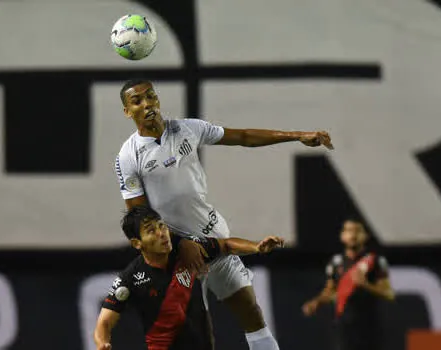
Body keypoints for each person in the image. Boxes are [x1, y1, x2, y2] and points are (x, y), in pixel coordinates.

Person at [114, 79, 333, 350]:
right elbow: (139, 216)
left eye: (151, 96)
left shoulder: (187, 128)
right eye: (137, 101)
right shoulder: (128, 156)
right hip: (174, 255)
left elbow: (243, 137)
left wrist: (297, 135)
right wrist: (181, 244)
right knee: (200, 336)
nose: (147, 104)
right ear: (127, 111)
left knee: (251, 312)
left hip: (212, 236)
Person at [94, 205, 284, 350]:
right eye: (151, 230)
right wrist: (103, 343)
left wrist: (256, 247)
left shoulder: (188, 253)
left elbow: (225, 245)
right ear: (137, 243)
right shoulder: (132, 277)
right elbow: (104, 321)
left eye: (162, 226)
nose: (162, 234)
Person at [301, 219, 395, 350]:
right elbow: (330, 291)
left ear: (366, 235)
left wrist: (366, 284)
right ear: (342, 236)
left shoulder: (375, 261)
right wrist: (317, 302)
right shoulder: (336, 262)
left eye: (357, 231)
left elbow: (389, 293)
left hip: (370, 327)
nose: (353, 235)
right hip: (344, 326)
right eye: (349, 230)